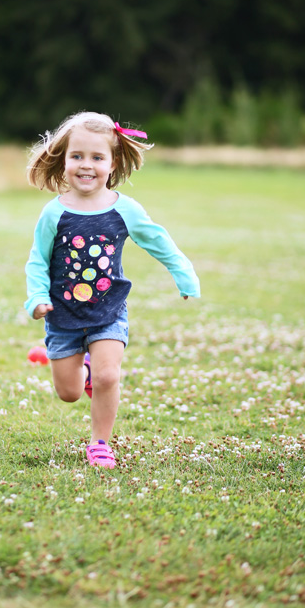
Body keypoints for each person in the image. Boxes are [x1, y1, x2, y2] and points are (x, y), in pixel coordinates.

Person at [25, 111, 200, 469]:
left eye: (96, 157)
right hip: (63, 315)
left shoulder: (126, 209)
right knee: (69, 393)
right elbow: (37, 261)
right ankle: (83, 371)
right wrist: (37, 298)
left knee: (109, 376)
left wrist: (185, 274)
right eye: (77, 156)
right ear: (64, 159)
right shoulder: (53, 213)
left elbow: (158, 241)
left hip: (108, 311)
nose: (85, 165)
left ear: (112, 162)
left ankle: (100, 444)